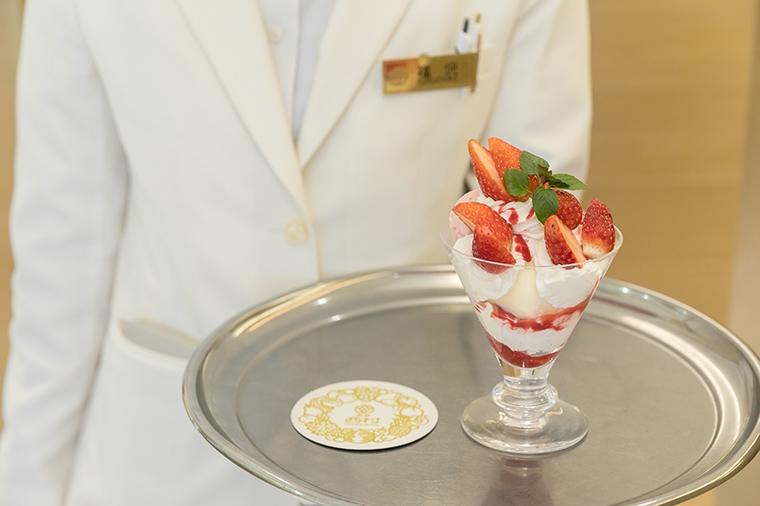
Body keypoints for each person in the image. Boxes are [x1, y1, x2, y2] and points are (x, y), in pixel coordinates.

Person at [0, 0, 591, 504]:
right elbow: (64, 247)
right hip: (163, 453)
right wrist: (27, 486)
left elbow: (541, 235)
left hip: (414, 446)